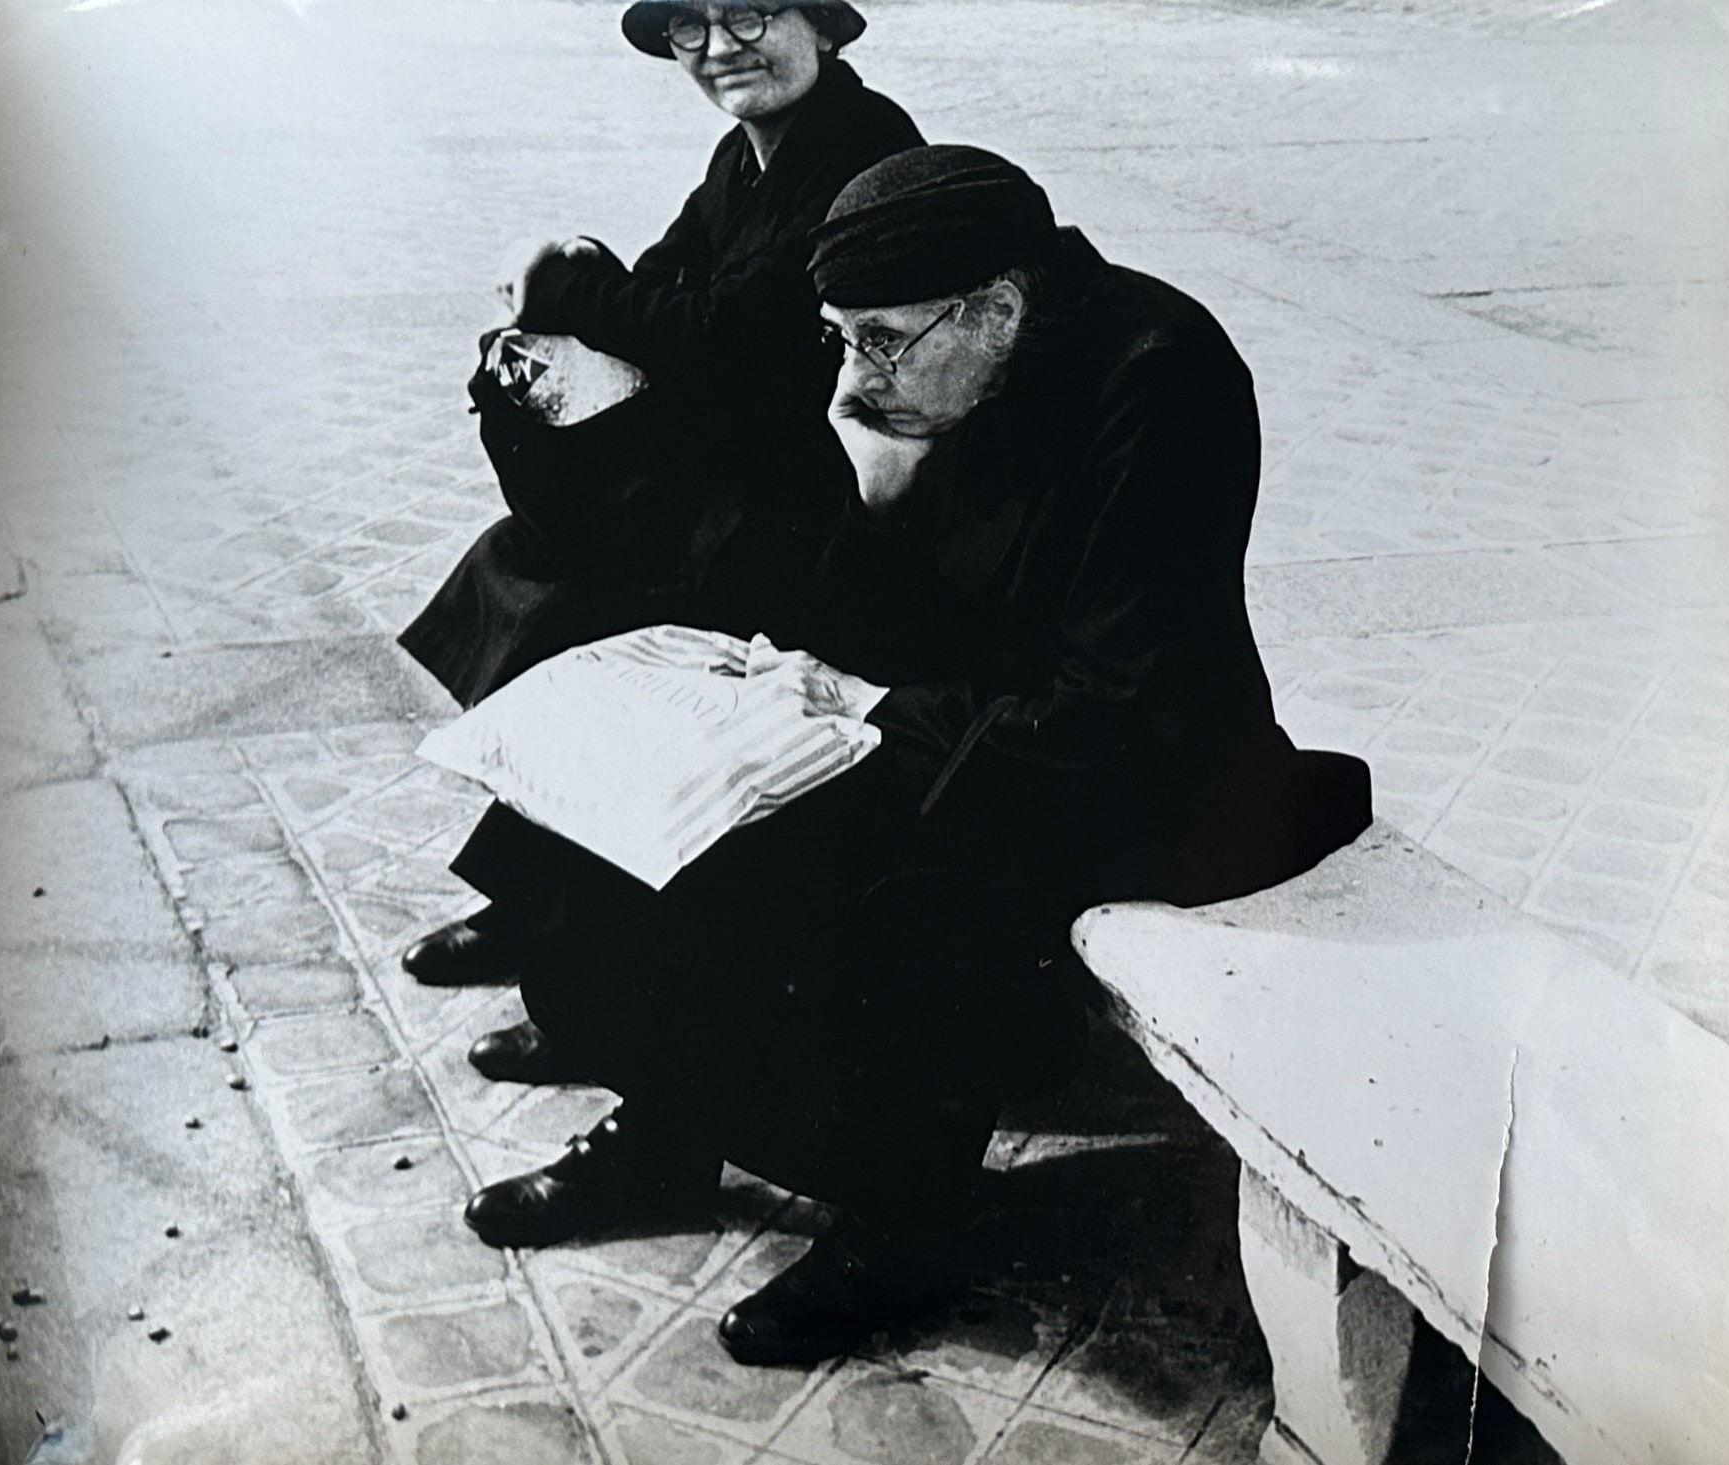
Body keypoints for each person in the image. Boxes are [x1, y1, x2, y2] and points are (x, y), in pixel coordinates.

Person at [453, 145, 1374, 1366]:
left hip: (1137, 757)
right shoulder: (940, 359)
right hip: (976, 704)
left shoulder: (1163, 378)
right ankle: (666, 1132)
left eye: (879, 341)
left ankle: (906, 1224)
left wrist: (876, 702)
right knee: (678, 785)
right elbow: (860, 589)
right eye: (841, 339)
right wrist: (865, 502)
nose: (856, 371)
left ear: (997, 307)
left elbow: (1114, 700)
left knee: (900, 874)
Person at [395, 1, 923, 992]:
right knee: (521, 561)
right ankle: (543, 897)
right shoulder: (743, 158)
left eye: (754, 14)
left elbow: (732, 334)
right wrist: (603, 287)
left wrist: (572, 281)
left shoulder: (865, 151)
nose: (723, 47)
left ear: (822, 24)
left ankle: (574, 935)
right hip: (743, 478)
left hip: (834, 512)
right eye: (693, 25)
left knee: (582, 610)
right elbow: (668, 293)